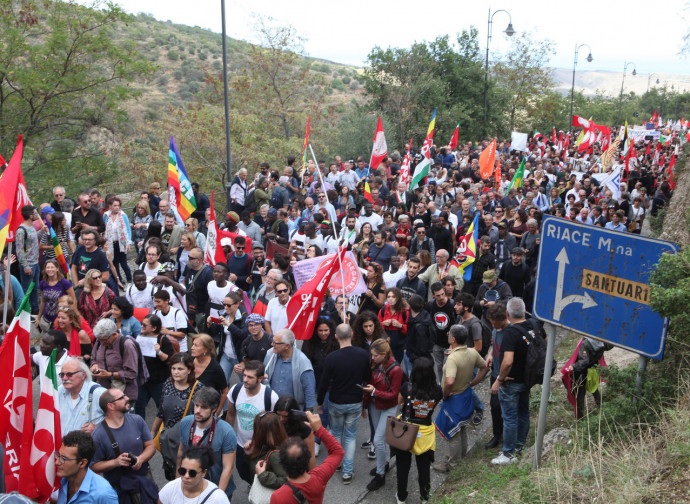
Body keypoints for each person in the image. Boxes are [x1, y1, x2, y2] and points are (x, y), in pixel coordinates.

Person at [317, 323, 370, 484]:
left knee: (336, 433)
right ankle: (348, 471)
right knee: (351, 436)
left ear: (335, 336)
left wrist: (320, 403)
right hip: (355, 401)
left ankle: (336, 464)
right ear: (352, 334)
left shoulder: (332, 358)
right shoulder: (363, 354)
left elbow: (324, 383)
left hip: (336, 401)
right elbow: (367, 378)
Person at [432, 325, 489, 472]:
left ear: (454, 339)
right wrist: (473, 382)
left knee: (453, 431)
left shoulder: (452, 358)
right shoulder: (471, 352)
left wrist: (445, 394)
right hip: (466, 394)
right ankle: (462, 457)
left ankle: (451, 464)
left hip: (454, 398)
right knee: (462, 427)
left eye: (449, 333)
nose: (447, 334)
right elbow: (484, 367)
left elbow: (450, 381)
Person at [91, 388, 157, 504]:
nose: (127, 398)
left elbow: (151, 446)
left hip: (143, 483)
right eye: (121, 398)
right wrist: (115, 462)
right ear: (110, 406)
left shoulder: (137, 420)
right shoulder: (98, 435)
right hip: (118, 490)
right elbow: (93, 465)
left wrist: (140, 459)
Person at [393, 357, 442, 504]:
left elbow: (399, 401)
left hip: (405, 431)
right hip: (425, 433)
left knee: (402, 467)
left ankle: (401, 497)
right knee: (424, 469)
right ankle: (425, 497)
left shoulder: (407, 388)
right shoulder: (438, 390)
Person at [269, 411, 344, 504]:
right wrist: (320, 429)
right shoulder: (319, 477)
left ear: (283, 464)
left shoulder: (278, 496)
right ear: (307, 457)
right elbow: (337, 452)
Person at [177, 388, 238, 500]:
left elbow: (227, 468)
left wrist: (217, 497)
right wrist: (178, 484)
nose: (198, 410)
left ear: (214, 409)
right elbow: (181, 453)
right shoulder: (186, 423)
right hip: (191, 485)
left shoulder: (226, 432)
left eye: (204, 407)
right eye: (196, 405)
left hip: (215, 486)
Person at [491, 298, 531, 465]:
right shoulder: (532, 326)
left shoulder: (510, 332)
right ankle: (520, 446)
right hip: (527, 379)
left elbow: (507, 361)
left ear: (507, 314)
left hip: (511, 381)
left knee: (510, 417)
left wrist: (499, 380)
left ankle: (508, 453)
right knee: (524, 413)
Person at [152, 353, 204, 480]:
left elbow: (203, 417)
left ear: (189, 370)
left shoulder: (198, 388)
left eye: (180, 369)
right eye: (173, 368)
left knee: (187, 475)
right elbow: (161, 410)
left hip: (188, 441)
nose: (176, 372)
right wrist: (153, 431)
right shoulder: (168, 384)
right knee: (171, 474)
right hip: (168, 439)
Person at [226, 360, 279, 483]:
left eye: (250, 377)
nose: (245, 379)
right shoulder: (236, 390)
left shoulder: (270, 396)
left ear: (260, 379)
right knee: (242, 470)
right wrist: (228, 435)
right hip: (240, 444)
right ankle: (253, 485)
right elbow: (231, 413)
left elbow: (275, 424)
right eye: (244, 375)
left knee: (259, 473)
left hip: (261, 446)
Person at [363, 338, 403, 492]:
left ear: (384, 354)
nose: (372, 358)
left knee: (378, 440)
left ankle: (380, 475)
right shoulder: (376, 364)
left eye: (375, 355)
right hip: (375, 405)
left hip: (388, 407)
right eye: (371, 355)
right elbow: (369, 385)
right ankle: (384, 464)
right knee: (379, 439)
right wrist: (365, 406)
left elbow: (394, 395)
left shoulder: (396, 369)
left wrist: (374, 392)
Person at [56, 431, 118, 504]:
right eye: (58, 455)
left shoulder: (103, 493)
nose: (57, 462)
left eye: (64, 459)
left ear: (82, 463)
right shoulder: (59, 481)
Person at [264, 328, 317, 411]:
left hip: (293, 411)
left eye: (275, 343)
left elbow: (309, 389)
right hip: (272, 409)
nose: (271, 344)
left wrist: (307, 414)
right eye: (272, 341)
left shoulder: (303, 362)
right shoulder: (270, 354)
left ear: (287, 346)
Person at [134, 314, 174, 419]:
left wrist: (159, 352)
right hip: (143, 380)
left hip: (158, 382)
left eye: (145, 325)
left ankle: (162, 432)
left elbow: (170, 360)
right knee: (139, 407)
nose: (141, 326)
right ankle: (140, 431)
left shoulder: (163, 340)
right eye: (142, 324)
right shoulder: (139, 337)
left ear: (154, 328)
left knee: (162, 408)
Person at [159, 445, 230, 504]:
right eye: (182, 471)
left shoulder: (217, 498)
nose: (186, 476)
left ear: (204, 473)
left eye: (192, 473)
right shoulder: (171, 488)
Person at [90, 319, 140, 401]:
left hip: (122, 396)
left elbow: (132, 373)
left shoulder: (127, 345)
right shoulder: (100, 341)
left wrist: (110, 374)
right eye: (99, 340)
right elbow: (93, 358)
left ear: (114, 334)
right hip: (102, 392)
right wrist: (94, 365)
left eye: (104, 340)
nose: (102, 343)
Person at [564, 337, 613, 419]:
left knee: (579, 396)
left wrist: (573, 366)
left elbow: (584, 361)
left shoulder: (586, 343)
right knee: (593, 387)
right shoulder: (601, 344)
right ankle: (601, 407)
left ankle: (579, 420)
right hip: (593, 370)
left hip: (581, 373)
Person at [58, 357, 106, 434]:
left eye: (69, 374)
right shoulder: (59, 391)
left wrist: (98, 428)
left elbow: (120, 419)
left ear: (83, 375)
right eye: (62, 374)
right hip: (63, 445)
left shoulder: (98, 393)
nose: (64, 378)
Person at [244, 411, 289, 491]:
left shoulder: (275, 455)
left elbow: (286, 481)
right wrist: (249, 454)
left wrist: (263, 475)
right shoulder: (262, 447)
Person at [485, 303, 508, 449]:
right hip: (495, 372)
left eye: (495, 322)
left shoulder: (510, 332)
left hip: (505, 377)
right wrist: (490, 354)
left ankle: (508, 437)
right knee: (494, 407)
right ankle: (497, 435)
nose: (493, 325)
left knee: (506, 408)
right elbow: (494, 344)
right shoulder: (495, 330)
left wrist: (499, 380)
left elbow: (510, 360)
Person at [191, 334, 229, 415]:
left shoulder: (215, 368)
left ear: (206, 349)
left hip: (206, 412)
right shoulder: (189, 362)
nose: (192, 348)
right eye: (192, 344)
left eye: (196, 345)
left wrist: (217, 411)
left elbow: (225, 392)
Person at [427, 282, 455, 384]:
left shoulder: (452, 305)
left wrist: (452, 344)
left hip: (449, 343)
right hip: (436, 342)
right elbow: (428, 322)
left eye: (443, 294)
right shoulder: (430, 305)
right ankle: (441, 385)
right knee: (439, 366)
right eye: (438, 295)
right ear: (433, 295)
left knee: (449, 367)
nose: (441, 297)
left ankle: (448, 385)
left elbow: (456, 324)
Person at [36, 259, 76, 332]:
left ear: (57, 268)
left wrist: (73, 318)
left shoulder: (64, 283)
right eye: (48, 267)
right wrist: (38, 318)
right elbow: (43, 301)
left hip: (61, 321)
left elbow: (73, 300)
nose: (50, 269)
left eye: (52, 267)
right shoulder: (43, 283)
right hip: (47, 321)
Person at [16, 205, 40, 314]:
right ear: (30, 215)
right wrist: (25, 266)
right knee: (26, 291)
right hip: (28, 265)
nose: (36, 214)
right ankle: (23, 313)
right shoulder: (21, 230)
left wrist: (42, 232)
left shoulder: (32, 227)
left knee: (35, 289)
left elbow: (33, 240)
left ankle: (35, 310)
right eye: (35, 213)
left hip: (36, 263)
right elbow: (19, 250)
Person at [103, 197, 133, 285]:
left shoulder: (122, 215)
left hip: (121, 242)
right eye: (115, 205)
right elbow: (104, 228)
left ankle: (129, 279)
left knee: (123, 262)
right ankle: (119, 279)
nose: (117, 207)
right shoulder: (106, 215)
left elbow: (127, 229)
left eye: (118, 205)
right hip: (111, 243)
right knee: (114, 262)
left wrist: (128, 242)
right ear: (110, 206)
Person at [378, 287, 409, 368]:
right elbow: (377, 327)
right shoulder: (383, 309)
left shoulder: (404, 311)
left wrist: (401, 326)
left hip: (399, 347)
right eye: (389, 297)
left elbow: (410, 330)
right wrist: (383, 324)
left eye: (393, 297)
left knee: (395, 368)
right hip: (385, 346)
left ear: (398, 298)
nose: (390, 299)